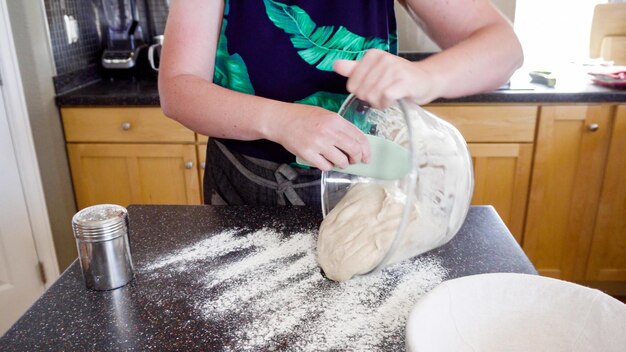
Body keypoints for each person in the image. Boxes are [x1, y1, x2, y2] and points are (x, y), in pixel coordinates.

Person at [158, 0, 523, 209]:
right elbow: (178, 88)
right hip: (247, 181)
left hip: (363, 176)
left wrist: (427, 78)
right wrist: (279, 120)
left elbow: (503, 47)